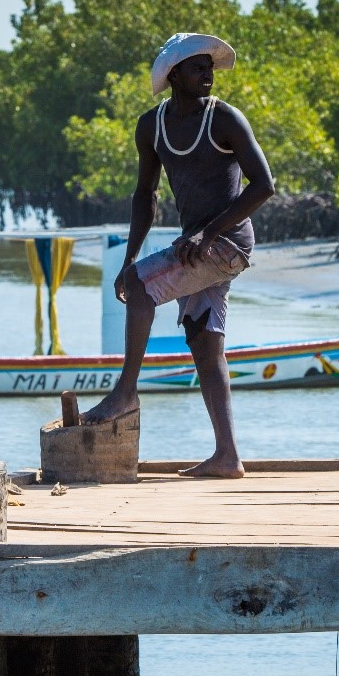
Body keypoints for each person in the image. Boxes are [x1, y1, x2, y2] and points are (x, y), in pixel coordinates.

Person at [80, 32, 275, 477]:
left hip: (227, 244)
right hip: (198, 248)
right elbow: (144, 195)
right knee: (204, 344)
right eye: (197, 67)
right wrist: (130, 257)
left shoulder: (224, 118)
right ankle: (227, 457)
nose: (207, 74)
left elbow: (264, 185)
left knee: (139, 287)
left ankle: (125, 391)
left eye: (209, 66)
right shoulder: (152, 126)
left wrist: (208, 232)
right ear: (174, 76)